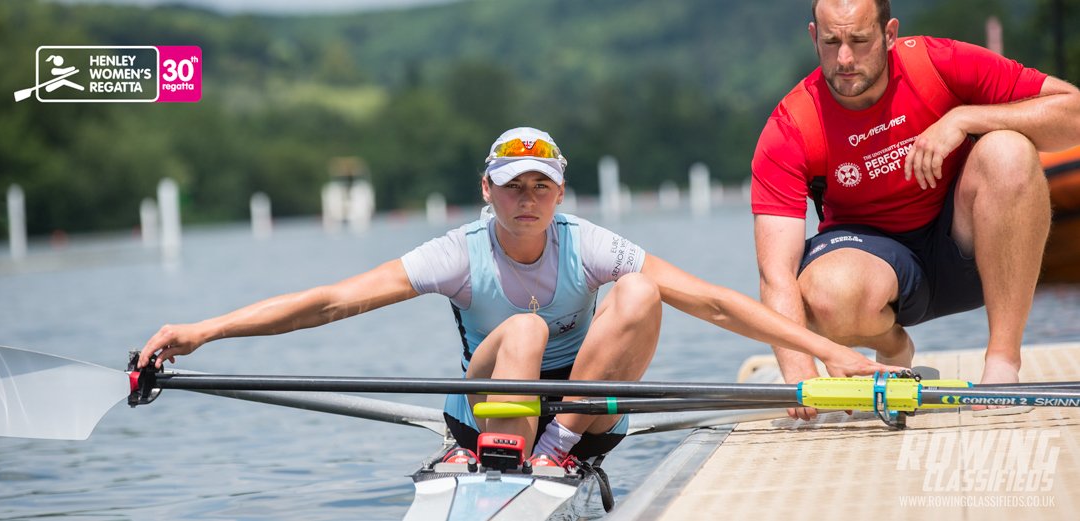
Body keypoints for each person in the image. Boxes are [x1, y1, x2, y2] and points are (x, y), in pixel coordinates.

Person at [139, 126, 899, 463]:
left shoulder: (587, 241)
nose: (526, 200)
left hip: (580, 412)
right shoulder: (457, 252)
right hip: (492, 405)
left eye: (541, 187)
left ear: (560, 192)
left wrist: (831, 350)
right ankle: (514, 451)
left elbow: (716, 303)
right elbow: (332, 301)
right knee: (528, 333)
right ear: (487, 191)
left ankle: (558, 449)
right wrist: (204, 329)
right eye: (512, 187)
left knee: (642, 293)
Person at [751, 0, 1080, 419]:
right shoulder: (792, 125)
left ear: (889, 35)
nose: (845, 58)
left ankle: (1002, 363)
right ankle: (892, 345)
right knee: (824, 294)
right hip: (870, 258)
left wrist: (964, 118)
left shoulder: (939, 63)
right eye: (832, 42)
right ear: (815, 37)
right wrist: (802, 380)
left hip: (965, 246)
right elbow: (775, 271)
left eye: (860, 40)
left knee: (1008, 149)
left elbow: (1074, 112)